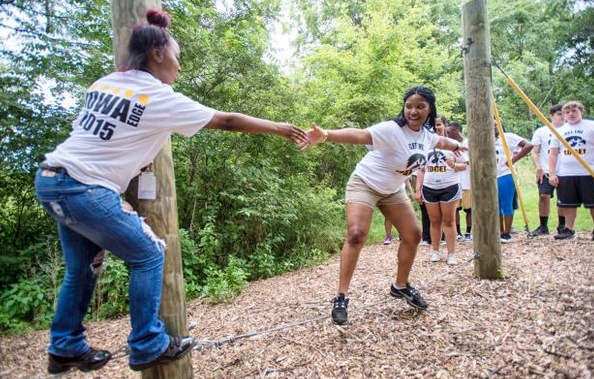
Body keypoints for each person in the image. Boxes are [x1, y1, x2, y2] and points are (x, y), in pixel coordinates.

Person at [34, 9, 309, 374]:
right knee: (148, 253)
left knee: (82, 270)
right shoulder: (158, 97)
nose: (178, 67)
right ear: (157, 55)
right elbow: (225, 120)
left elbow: (109, 136)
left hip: (51, 180)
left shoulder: (105, 83)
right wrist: (278, 127)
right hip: (84, 187)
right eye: (177, 57)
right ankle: (148, 344)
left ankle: (65, 346)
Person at [305, 86, 466, 325]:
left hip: (392, 189)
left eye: (420, 106)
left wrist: (456, 146)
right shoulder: (391, 129)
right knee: (357, 234)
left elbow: (439, 141)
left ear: (430, 109)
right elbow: (359, 135)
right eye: (409, 106)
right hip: (365, 183)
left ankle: (400, 286)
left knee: (413, 235)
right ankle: (341, 297)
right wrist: (326, 135)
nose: (413, 111)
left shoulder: (427, 135)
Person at [415, 115, 467, 265]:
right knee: (435, 221)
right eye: (432, 125)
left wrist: (454, 166)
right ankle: (435, 251)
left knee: (449, 221)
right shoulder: (424, 145)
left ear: (444, 125)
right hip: (430, 187)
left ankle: (451, 254)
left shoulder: (453, 144)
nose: (435, 128)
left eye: (438, 124)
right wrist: (418, 190)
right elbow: (421, 170)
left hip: (450, 186)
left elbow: (464, 164)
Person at [549, 101, 594, 240]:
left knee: (593, 203)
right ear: (564, 115)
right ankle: (569, 229)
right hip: (566, 173)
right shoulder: (559, 131)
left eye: (574, 111)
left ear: (581, 111)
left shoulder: (591, 126)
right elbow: (553, 154)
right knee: (568, 204)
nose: (571, 114)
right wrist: (552, 173)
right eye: (567, 112)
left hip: (589, 172)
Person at [529, 104, 566, 236]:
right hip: (545, 170)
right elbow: (534, 151)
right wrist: (538, 167)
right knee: (543, 196)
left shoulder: (568, 130)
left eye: (563, 114)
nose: (562, 117)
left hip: (564, 170)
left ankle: (562, 226)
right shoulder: (541, 131)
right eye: (559, 114)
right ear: (551, 116)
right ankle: (543, 227)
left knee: (563, 199)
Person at [494, 122, 533, 243]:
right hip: (491, 176)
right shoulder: (484, 138)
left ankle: (506, 233)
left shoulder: (507, 137)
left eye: (495, 125)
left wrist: (513, 160)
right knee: (496, 205)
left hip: (506, 174)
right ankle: (499, 231)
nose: (493, 127)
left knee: (506, 204)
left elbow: (528, 145)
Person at [448, 121, 472, 242]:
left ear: (455, 131)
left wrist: (456, 164)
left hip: (467, 181)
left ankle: (468, 232)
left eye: (449, 131)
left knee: (469, 209)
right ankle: (458, 232)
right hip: (455, 181)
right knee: (455, 210)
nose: (447, 134)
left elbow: (468, 161)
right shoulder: (450, 145)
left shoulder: (468, 143)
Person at [383, 179, 413, 244]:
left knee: (401, 215)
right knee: (388, 216)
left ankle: (401, 234)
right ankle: (388, 236)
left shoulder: (402, 169)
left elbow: (406, 179)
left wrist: (410, 191)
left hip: (400, 192)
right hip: (388, 192)